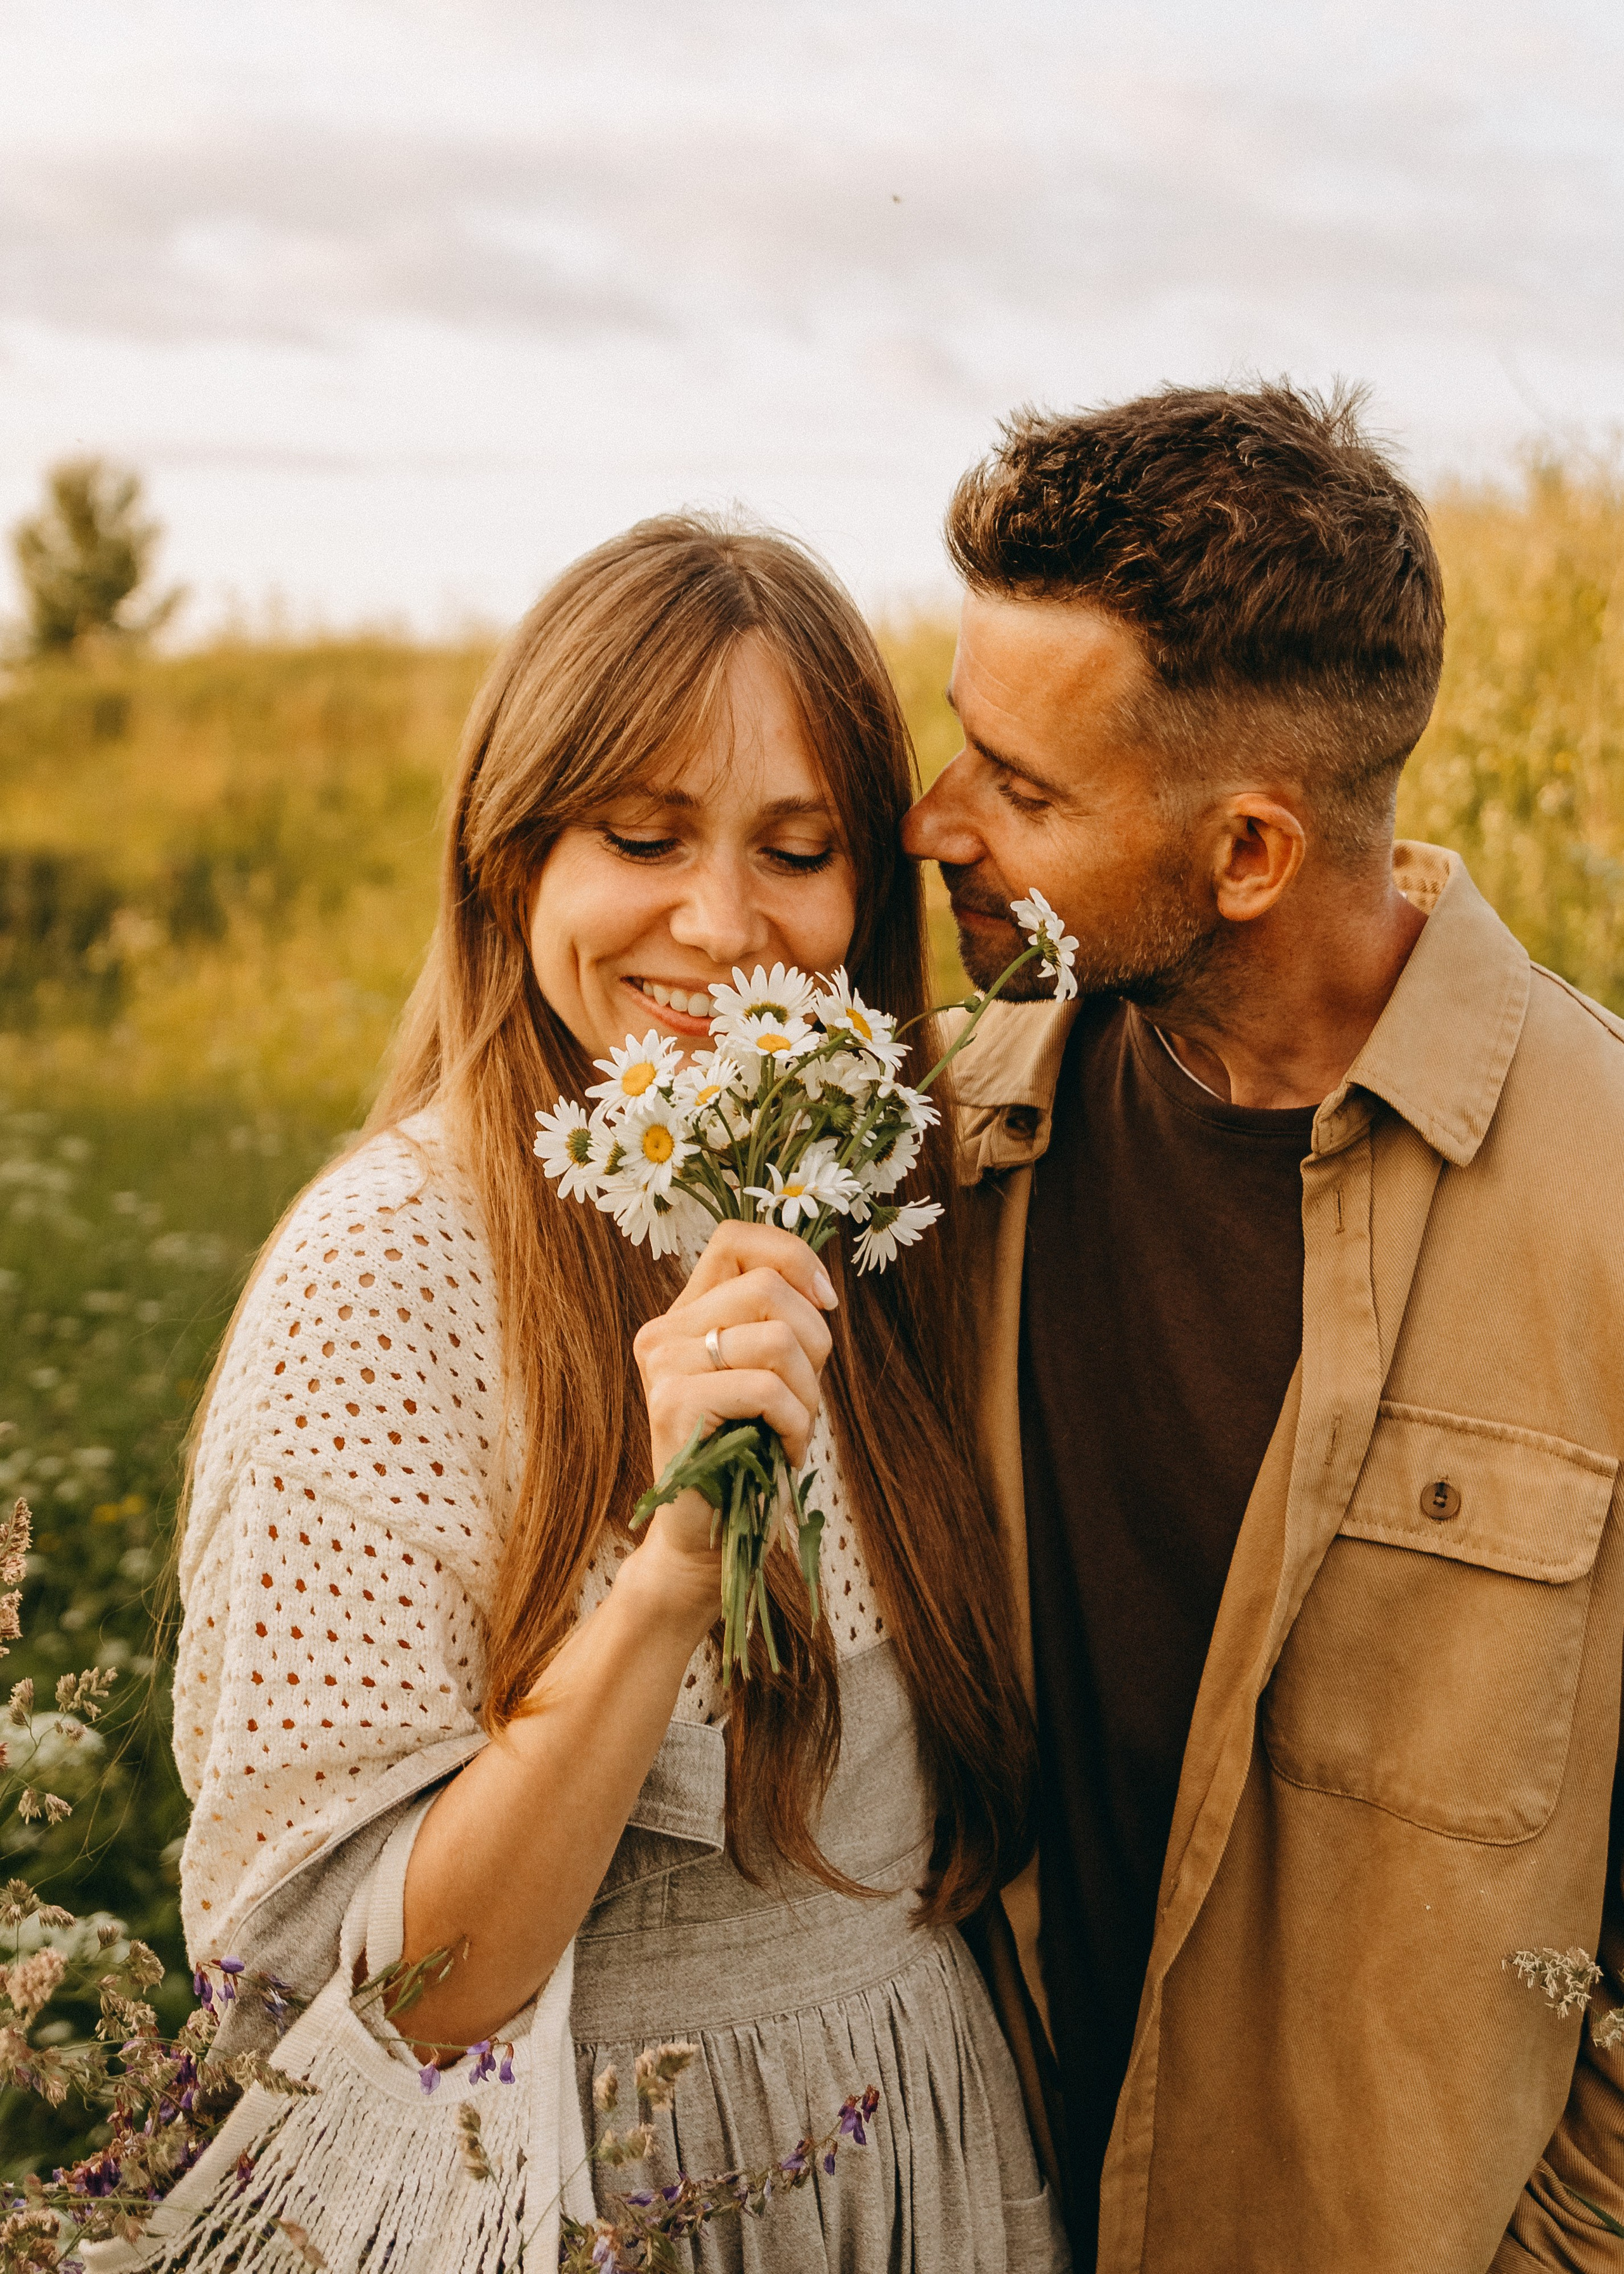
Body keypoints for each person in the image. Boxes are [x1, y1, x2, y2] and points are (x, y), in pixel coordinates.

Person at [165, 517, 1068, 2271]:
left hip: (927, 2171)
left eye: (795, 851)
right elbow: (404, 2009)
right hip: (609, 2200)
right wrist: (665, 1576)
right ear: (510, 859)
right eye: (639, 837)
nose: (722, 925)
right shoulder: (390, 1269)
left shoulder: (883, 1212)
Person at [904, 384, 1624, 2271]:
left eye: (1024, 790)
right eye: (957, 746)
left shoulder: (1610, 1213)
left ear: (1247, 855)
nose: (934, 823)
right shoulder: (950, 1148)